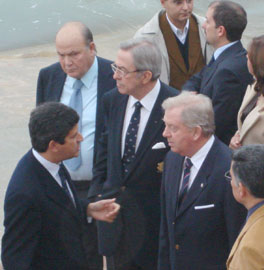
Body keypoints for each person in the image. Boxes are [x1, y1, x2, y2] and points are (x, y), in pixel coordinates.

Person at [87, 38, 178, 270]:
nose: (115, 75)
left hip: (155, 228)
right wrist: (97, 197)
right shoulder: (112, 100)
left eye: (122, 70)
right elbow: (103, 155)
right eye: (115, 68)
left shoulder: (175, 106)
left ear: (145, 76)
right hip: (115, 223)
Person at [1, 102, 120, 270]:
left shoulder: (52, 163)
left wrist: (87, 208)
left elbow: (57, 202)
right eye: (73, 136)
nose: (81, 138)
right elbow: (15, 258)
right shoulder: (24, 194)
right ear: (54, 146)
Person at [36, 21, 116, 269]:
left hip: (99, 185)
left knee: (99, 253)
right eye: (61, 55)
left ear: (92, 48)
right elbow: (39, 133)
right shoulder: (49, 76)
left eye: (74, 54)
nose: (67, 62)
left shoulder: (113, 76)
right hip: (60, 185)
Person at [159, 92, 247, 270]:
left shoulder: (229, 169)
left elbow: (236, 237)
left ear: (196, 132)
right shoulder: (172, 160)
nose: (165, 133)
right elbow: (166, 229)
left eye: (173, 128)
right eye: (165, 126)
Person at [182, 0, 253, 145]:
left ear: (220, 31)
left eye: (207, 22)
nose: (203, 25)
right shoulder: (227, 55)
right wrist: (188, 94)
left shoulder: (229, 71)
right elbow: (197, 79)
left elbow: (217, 123)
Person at [134, 0, 213, 90]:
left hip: (206, 100)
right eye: (178, 2)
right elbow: (140, 80)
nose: (186, 7)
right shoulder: (144, 38)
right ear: (163, 3)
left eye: (189, 1)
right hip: (168, 101)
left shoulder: (210, 29)